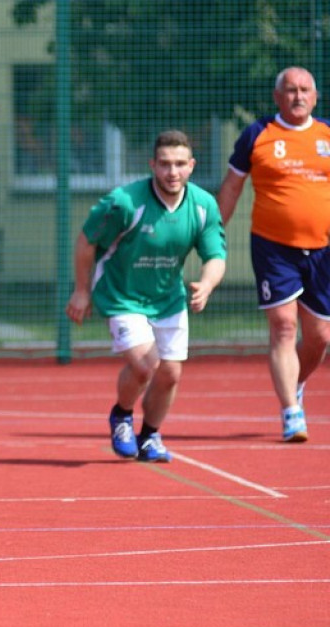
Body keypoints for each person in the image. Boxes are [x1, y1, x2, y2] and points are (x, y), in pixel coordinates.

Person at [66, 131, 227, 463]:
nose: (172, 172)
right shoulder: (125, 203)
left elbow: (215, 256)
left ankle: (150, 435)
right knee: (145, 366)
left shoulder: (202, 206)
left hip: (168, 298)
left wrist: (207, 285)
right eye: (165, 164)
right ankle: (122, 415)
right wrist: (82, 291)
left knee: (170, 374)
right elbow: (86, 242)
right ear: (152, 164)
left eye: (180, 164)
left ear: (192, 166)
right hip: (122, 295)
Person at [216, 66, 330, 443]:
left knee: (320, 337)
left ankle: (294, 383)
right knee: (283, 326)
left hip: (323, 249)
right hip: (273, 246)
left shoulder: (326, 134)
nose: (298, 96)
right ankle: (291, 413)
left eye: (305, 90)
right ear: (277, 96)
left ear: (315, 96)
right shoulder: (258, 134)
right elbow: (232, 188)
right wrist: (212, 237)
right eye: (291, 90)